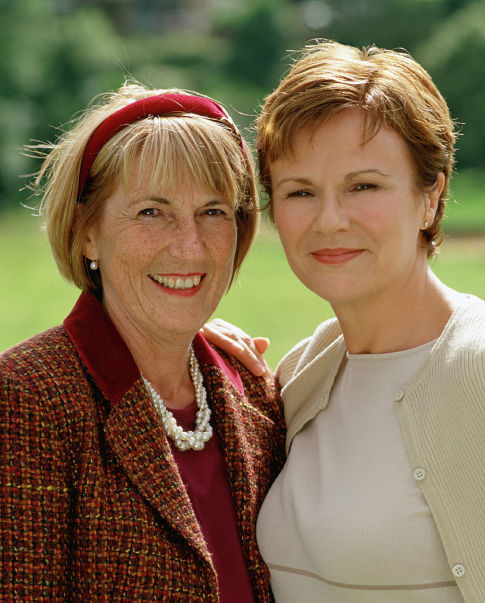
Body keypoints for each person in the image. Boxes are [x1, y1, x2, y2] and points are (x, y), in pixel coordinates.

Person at [202, 40, 485, 601]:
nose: (329, 220)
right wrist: (184, 351)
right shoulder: (302, 373)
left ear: (431, 195)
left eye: (364, 186)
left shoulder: (476, 366)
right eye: (300, 191)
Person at [0, 83, 286, 601]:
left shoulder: (251, 385)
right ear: (88, 232)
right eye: (152, 212)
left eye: (214, 212)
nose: (189, 244)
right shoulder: (26, 398)